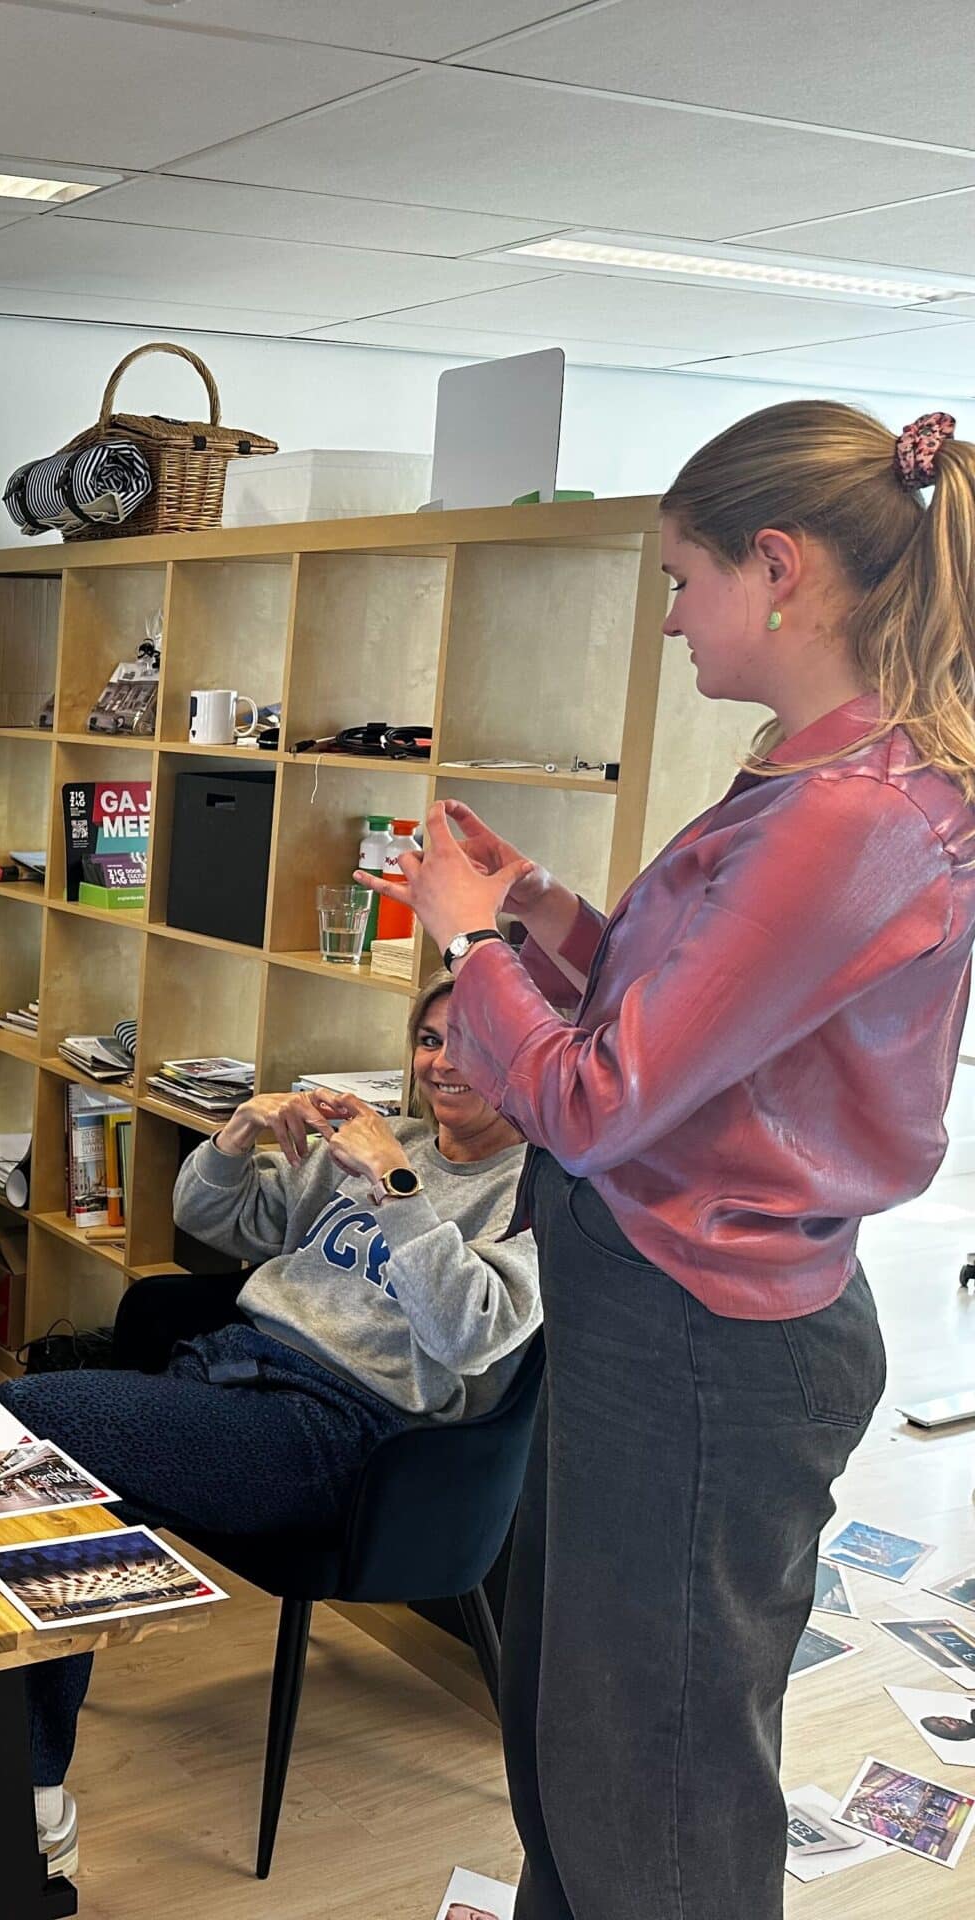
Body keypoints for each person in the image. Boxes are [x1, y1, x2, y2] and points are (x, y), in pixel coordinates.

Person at [362, 402, 975, 1919]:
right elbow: (687, 1024)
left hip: (704, 1336)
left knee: (657, 1789)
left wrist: (467, 944)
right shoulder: (809, 783)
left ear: (778, 567)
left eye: (682, 581)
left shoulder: (856, 815)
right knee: (584, 1751)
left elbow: (598, 1099)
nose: (673, 620)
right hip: (657, 1309)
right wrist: (536, 909)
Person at [0, 975, 540, 1884]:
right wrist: (235, 1135)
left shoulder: (534, 1200)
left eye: (472, 1042)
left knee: (32, 1419)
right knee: (67, 1496)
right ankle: (3, 1749)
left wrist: (396, 1181)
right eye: (430, 1039)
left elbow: (468, 1333)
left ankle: (21, 1790)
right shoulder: (387, 1141)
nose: (442, 1062)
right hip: (235, 1370)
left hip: (348, 1434)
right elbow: (213, 1219)